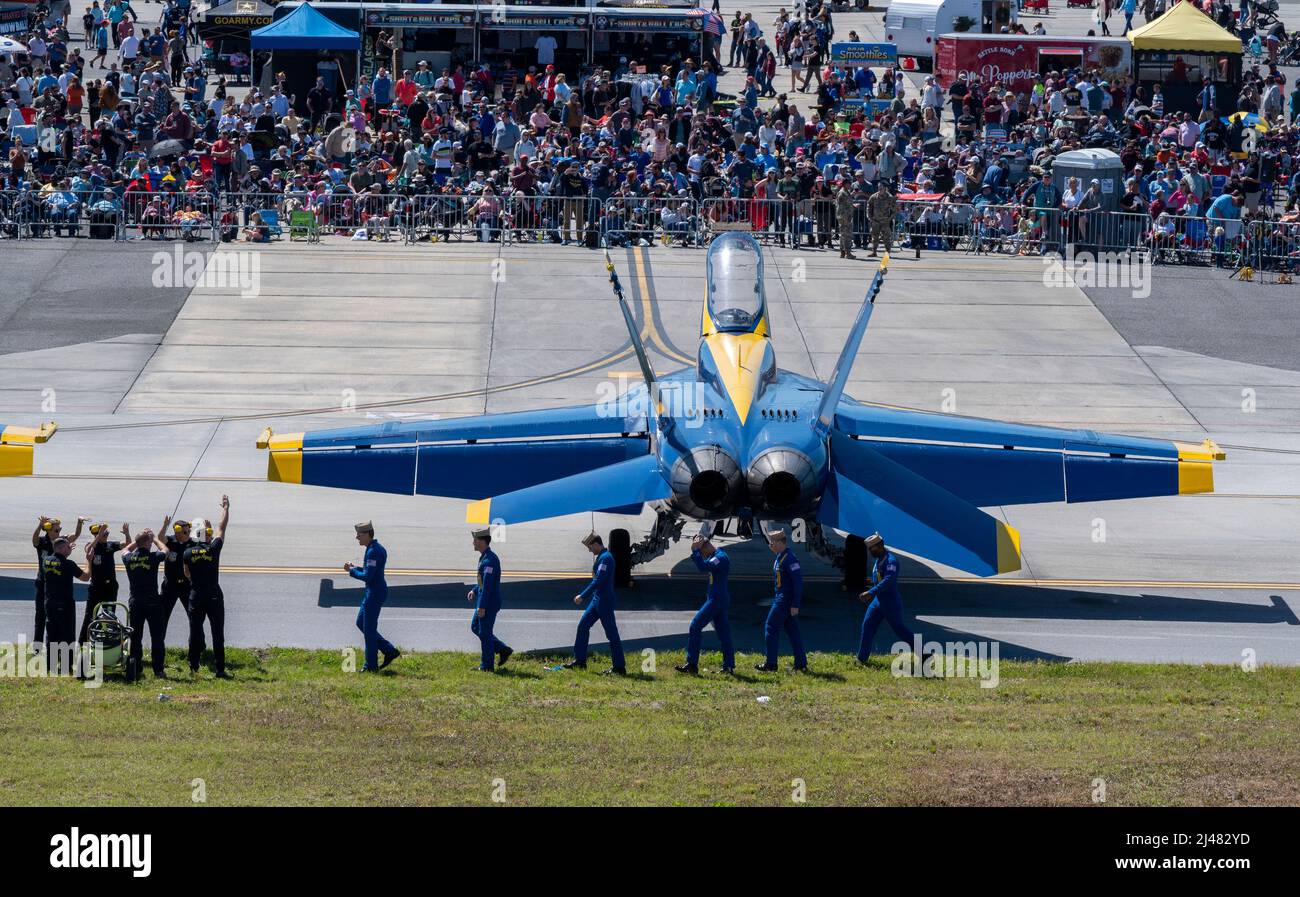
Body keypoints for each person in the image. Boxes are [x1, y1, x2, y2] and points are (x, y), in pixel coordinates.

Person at [565, 532, 625, 675]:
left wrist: (582, 596)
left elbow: (598, 581)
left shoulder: (606, 559)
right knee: (582, 626)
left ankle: (619, 667)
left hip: (604, 602)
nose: (589, 550)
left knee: (611, 634)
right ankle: (580, 661)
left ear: (597, 544)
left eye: (590, 547)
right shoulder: (601, 557)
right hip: (596, 600)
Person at [677, 531, 734, 675]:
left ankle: (692, 664)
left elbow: (702, 567)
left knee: (695, 626)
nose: (702, 554)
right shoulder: (715, 557)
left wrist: (695, 550)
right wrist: (696, 550)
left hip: (716, 600)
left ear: (707, 546)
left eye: (702, 551)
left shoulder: (719, 558)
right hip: (716, 599)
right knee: (723, 633)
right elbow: (703, 563)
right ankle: (728, 666)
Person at [184, 495, 229, 677]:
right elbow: (222, 528)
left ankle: (194, 667)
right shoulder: (213, 549)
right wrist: (225, 508)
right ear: (208, 537)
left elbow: (186, 573)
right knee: (217, 634)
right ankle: (220, 669)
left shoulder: (188, 552)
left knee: (195, 632)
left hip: (196, 595)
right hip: (213, 595)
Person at [856, 533, 918, 662]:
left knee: (900, 630)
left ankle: (924, 654)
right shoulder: (880, 559)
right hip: (878, 601)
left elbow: (888, 580)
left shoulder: (891, 561)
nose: (870, 552)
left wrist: (871, 592)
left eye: (872, 549)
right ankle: (861, 659)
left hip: (890, 602)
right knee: (867, 626)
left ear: (880, 546)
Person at [347, 520, 399, 672]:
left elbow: (368, 576)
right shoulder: (374, 548)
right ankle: (388, 650)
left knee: (369, 630)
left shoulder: (373, 551)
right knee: (360, 622)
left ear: (368, 534)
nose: (357, 538)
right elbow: (369, 571)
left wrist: (351, 571)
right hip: (373, 592)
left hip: (374, 594)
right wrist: (354, 567)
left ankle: (370, 666)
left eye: (359, 535)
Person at [31, 515, 86, 652]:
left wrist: (79, 522)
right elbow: (34, 539)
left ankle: (58, 649)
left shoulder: (62, 542)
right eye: (56, 530)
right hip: (42, 584)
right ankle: (37, 648)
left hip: (56, 586)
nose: (59, 533)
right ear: (48, 530)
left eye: (60, 530)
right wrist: (40, 525)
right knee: (40, 617)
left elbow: (77, 534)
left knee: (56, 619)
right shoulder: (42, 542)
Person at [756, 527, 807, 672]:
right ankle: (801, 663)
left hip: (785, 599)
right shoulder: (780, 557)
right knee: (793, 631)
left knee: (770, 626)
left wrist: (795, 604)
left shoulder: (789, 558)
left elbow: (798, 582)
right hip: (781, 597)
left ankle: (771, 663)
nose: (770, 545)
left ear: (780, 543)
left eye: (772, 542)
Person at [42, 537, 90, 675]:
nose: (70, 549)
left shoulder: (46, 560)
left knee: (51, 634)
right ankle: (65, 665)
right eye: (68, 547)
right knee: (67, 634)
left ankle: (50, 665)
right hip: (64, 603)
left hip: (50, 602)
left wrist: (66, 548)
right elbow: (86, 577)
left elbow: (58, 548)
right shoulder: (68, 564)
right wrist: (88, 559)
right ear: (61, 549)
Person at [123, 528, 167, 679]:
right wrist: (154, 538)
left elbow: (125, 550)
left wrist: (138, 541)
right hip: (152, 602)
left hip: (135, 601)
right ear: (148, 543)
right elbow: (165, 550)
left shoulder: (128, 558)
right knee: (157, 636)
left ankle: (136, 667)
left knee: (136, 637)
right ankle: (158, 670)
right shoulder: (153, 557)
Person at [467, 528, 512, 671]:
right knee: (476, 627)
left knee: (485, 633)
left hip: (488, 603)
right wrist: (474, 590)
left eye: (475, 540)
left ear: (482, 541)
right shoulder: (484, 557)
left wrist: (482, 606)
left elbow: (487, 586)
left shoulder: (490, 560)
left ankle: (486, 666)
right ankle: (502, 649)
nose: (473, 542)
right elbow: (483, 581)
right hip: (483, 600)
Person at [81, 522, 125, 644]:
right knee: (90, 616)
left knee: (109, 616)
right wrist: (99, 535)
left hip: (110, 587)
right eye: (103, 533)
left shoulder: (110, 545)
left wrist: (127, 534)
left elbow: (126, 544)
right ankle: (83, 643)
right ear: (96, 534)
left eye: (106, 533)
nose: (106, 535)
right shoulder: (91, 546)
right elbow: (89, 550)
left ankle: (106, 641)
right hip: (96, 587)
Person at [159, 515, 193, 641]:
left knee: (193, 616)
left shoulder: (192, 543)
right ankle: (158, 646)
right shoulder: (170, 541)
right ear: (177, 532)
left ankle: (197, 646)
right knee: (163, 617)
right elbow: (160, 539)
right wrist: (165, 525)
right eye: (185, 532)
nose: (188, 533)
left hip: (186, 585)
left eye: (189, 531)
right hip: (170, 586)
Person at [866, 180, 896, 257]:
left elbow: (894, 210)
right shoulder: (873, 197)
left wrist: (890, 218)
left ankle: (887, 253)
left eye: (881, 187)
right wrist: (870, 217)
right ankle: (874, 252)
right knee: (874, 237)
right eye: (878, 187)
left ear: (885, 188)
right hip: (875, 220)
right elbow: (869, 207)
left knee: (886, 238)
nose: (879, 189)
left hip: (885, 221)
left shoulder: (889, 197)